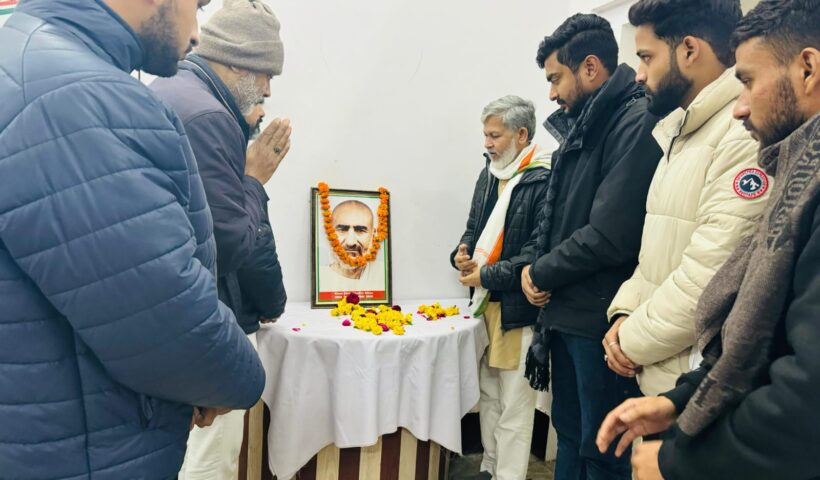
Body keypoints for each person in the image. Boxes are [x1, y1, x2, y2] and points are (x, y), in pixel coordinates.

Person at [0, 0, 265, 478]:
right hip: (81, 452)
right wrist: (232, 380)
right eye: (196, 5)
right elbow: (164, 317)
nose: (198, 34)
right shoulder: (79, 97)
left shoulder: (29, 58)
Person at [597, 1, 820, 479]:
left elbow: (807, 390)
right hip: (696, 393)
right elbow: (753, 332)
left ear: (808, 69)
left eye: (748, 81)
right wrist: (680, 400)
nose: (741, 105)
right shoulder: (791, 163)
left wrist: (679, 460)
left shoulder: (760, 151)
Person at [519, 13, 663, 480]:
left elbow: (610, 234)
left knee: (603, 451)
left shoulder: (634, 120)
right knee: (570, 435)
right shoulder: (585, 123)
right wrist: (535, 267)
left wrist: (541, 272)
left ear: (590, 68)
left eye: (555, 78)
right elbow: (560, 218)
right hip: (568, 313)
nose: (551, 93)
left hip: (599, 320)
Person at [604, 0, 770, 397]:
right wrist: (624, 310)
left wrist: (629, 340)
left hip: (690, 387)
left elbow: (710, 278)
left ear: (690, 50)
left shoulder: (741, 134)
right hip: (659, 369)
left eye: (646, 57)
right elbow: (654, 257)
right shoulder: (681, 131)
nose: (639, 74)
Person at [149, 1, 288, 477]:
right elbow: (229, 244)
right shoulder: (211, 117)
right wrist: (254, 179)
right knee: (209, 463)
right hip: (206, 318)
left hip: (168, 318)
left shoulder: (172, 88)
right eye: (267, 74)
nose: (268, 89)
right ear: (238, 62)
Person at [452, 95, 551, 480]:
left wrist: (486, 276)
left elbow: (536, 253)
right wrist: (461, 255)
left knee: (514, 405)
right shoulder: (490, 172)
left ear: (521, 134)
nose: (487, 143)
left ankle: (508, 475)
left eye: (495, 135)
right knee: (490, 396)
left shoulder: (544, 176)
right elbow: (472, 229)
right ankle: (490, 468)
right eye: (485, 134)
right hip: (485, 305)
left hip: (518, 311)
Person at [319, 200, 385, 291]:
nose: (350, 242)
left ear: (373, 235)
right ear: (329, 233)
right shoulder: (320, 278)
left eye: (360, 230)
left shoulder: (383, 274)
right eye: (342, 230)